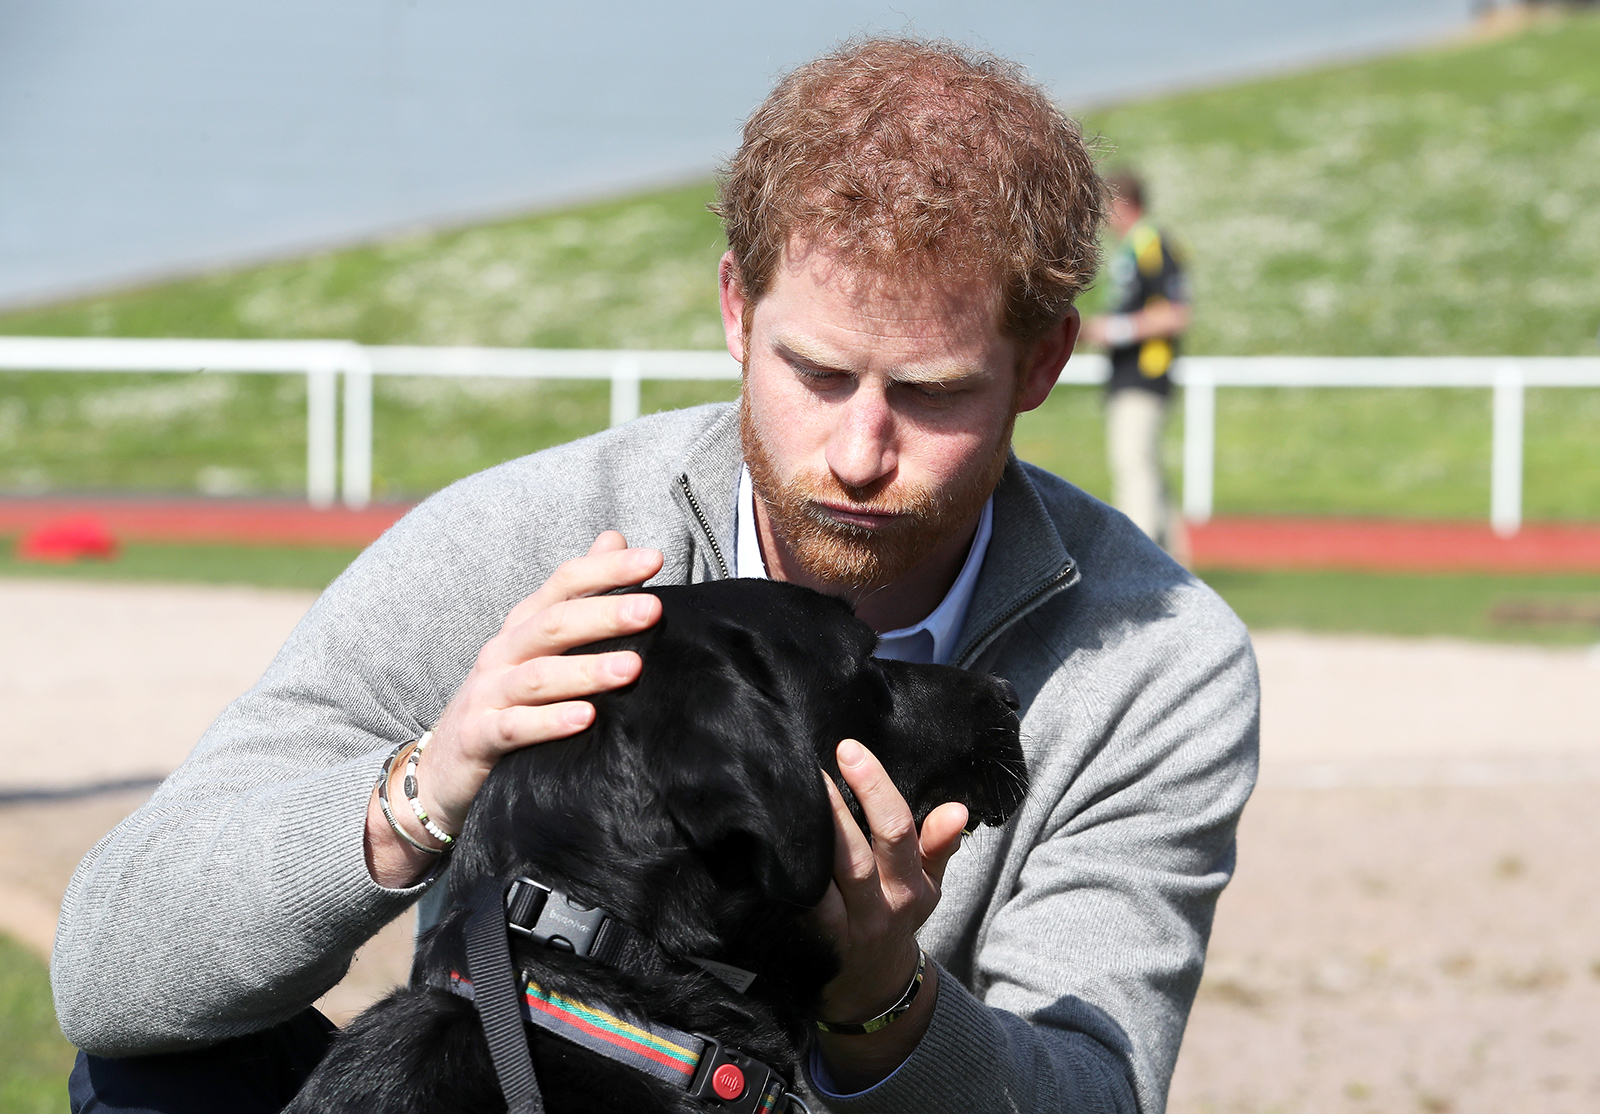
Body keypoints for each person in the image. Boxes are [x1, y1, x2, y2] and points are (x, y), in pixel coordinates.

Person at [53, 38, 1258, 1114]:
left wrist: (884, 1000)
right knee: (162, 1072)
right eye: (819, 372)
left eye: (932, 392)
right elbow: (110, 976)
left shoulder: (1152, 660)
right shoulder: (527, 543)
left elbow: (1095, 1092)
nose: (858, 451)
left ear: (1044, 361)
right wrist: (421, 790)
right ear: (737, 309)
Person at [1083, 172, 1193, 556]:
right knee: (1149, 473)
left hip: (1145, 375)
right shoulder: (1133, 248)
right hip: (1129, 376)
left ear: (1124, 204)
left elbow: (1176, 313)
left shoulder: (1153, 243)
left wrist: (1112, 330)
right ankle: (1175, 569)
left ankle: (1137, 562)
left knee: (1134, 468)